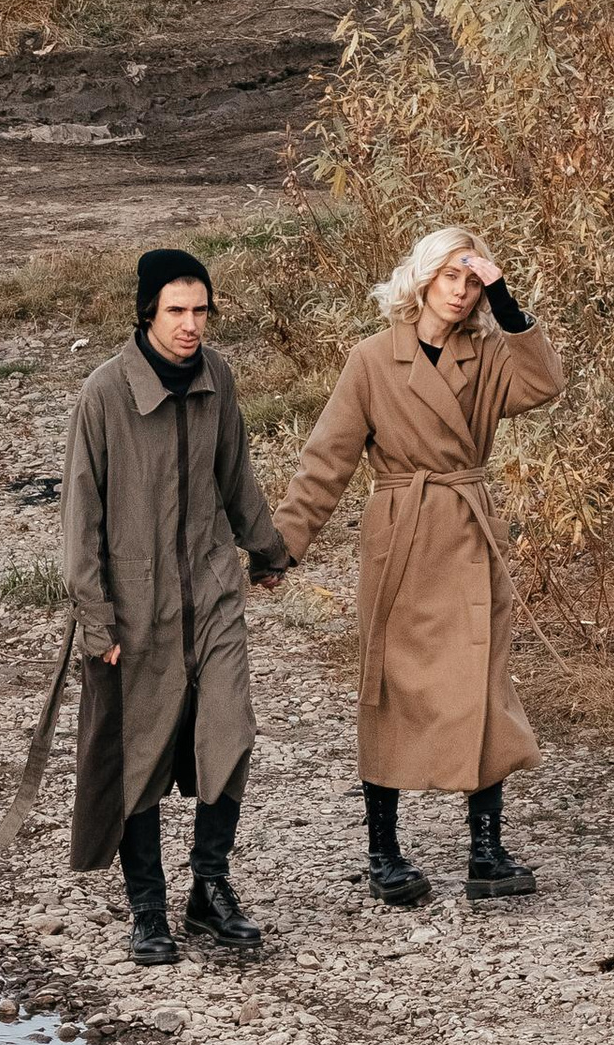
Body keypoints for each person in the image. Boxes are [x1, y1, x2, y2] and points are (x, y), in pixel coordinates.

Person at [263, 226, 565, 908]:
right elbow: (327, 458)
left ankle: (486, 851)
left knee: (482, 682)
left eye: (473, 280)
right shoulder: (372, 360)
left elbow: (545, 384)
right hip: (402, 538)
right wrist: (283, 546)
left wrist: (508, 303)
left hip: (467, 530)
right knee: (391, 685)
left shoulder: (487, 355)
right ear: (424, 278)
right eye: (451, 276)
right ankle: (384, 851)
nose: (461, 292)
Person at [61, 247, 288, 966]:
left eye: (201, 310)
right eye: (176, 311)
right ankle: (149, 911)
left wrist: (268, 548)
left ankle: (210, 891)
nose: (192, 325)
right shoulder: (104, 395)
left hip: (213, 595)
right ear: (146, 313)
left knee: (231, 733)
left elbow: (235, 475)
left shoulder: (217, 377)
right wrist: (98, 621)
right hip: (137, 610)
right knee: (142, 758)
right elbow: (80, 522)